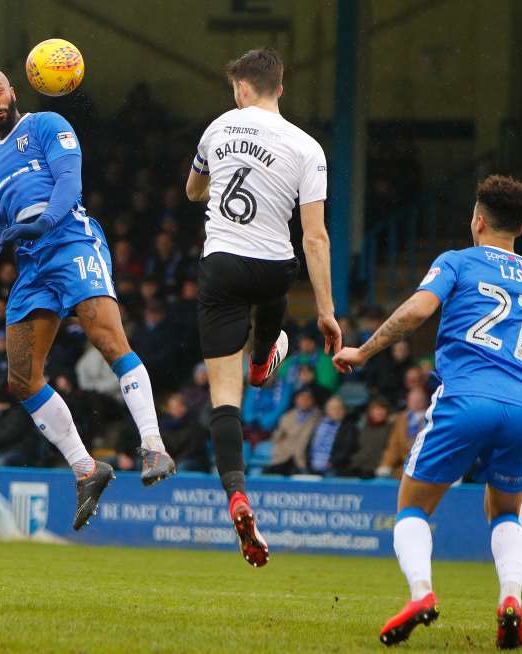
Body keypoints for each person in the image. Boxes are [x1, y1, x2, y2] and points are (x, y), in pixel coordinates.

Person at [0, 69, 175, 530]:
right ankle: (87, 468)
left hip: (71, 239)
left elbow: (70, 184)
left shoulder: (48, 124)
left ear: (12, 92)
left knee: (107, 336)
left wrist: (44, 222)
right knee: (20, 379)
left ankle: (153, 445)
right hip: (32, 262)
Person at [333, 175, 522, 648]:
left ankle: (421, 594)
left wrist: (363, 352)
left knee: (413, 505)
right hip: (521, 405)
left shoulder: (457, 261)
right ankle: (510, 599)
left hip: (465, 396)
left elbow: (416, 312)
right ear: (518, 228)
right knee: (505, 513)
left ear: (477, 220)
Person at [184, 47, 342, 566]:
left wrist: (217, 172)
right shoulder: (308, 147)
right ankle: (262, 363)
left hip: (223, 265)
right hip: (275, 268)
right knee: (274, 308)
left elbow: (193, 192)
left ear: (242, 88)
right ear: (280, 88)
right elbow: (315, 237)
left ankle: (236, 494)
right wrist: (326, 310)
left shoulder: (218, 127)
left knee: (222, 402)